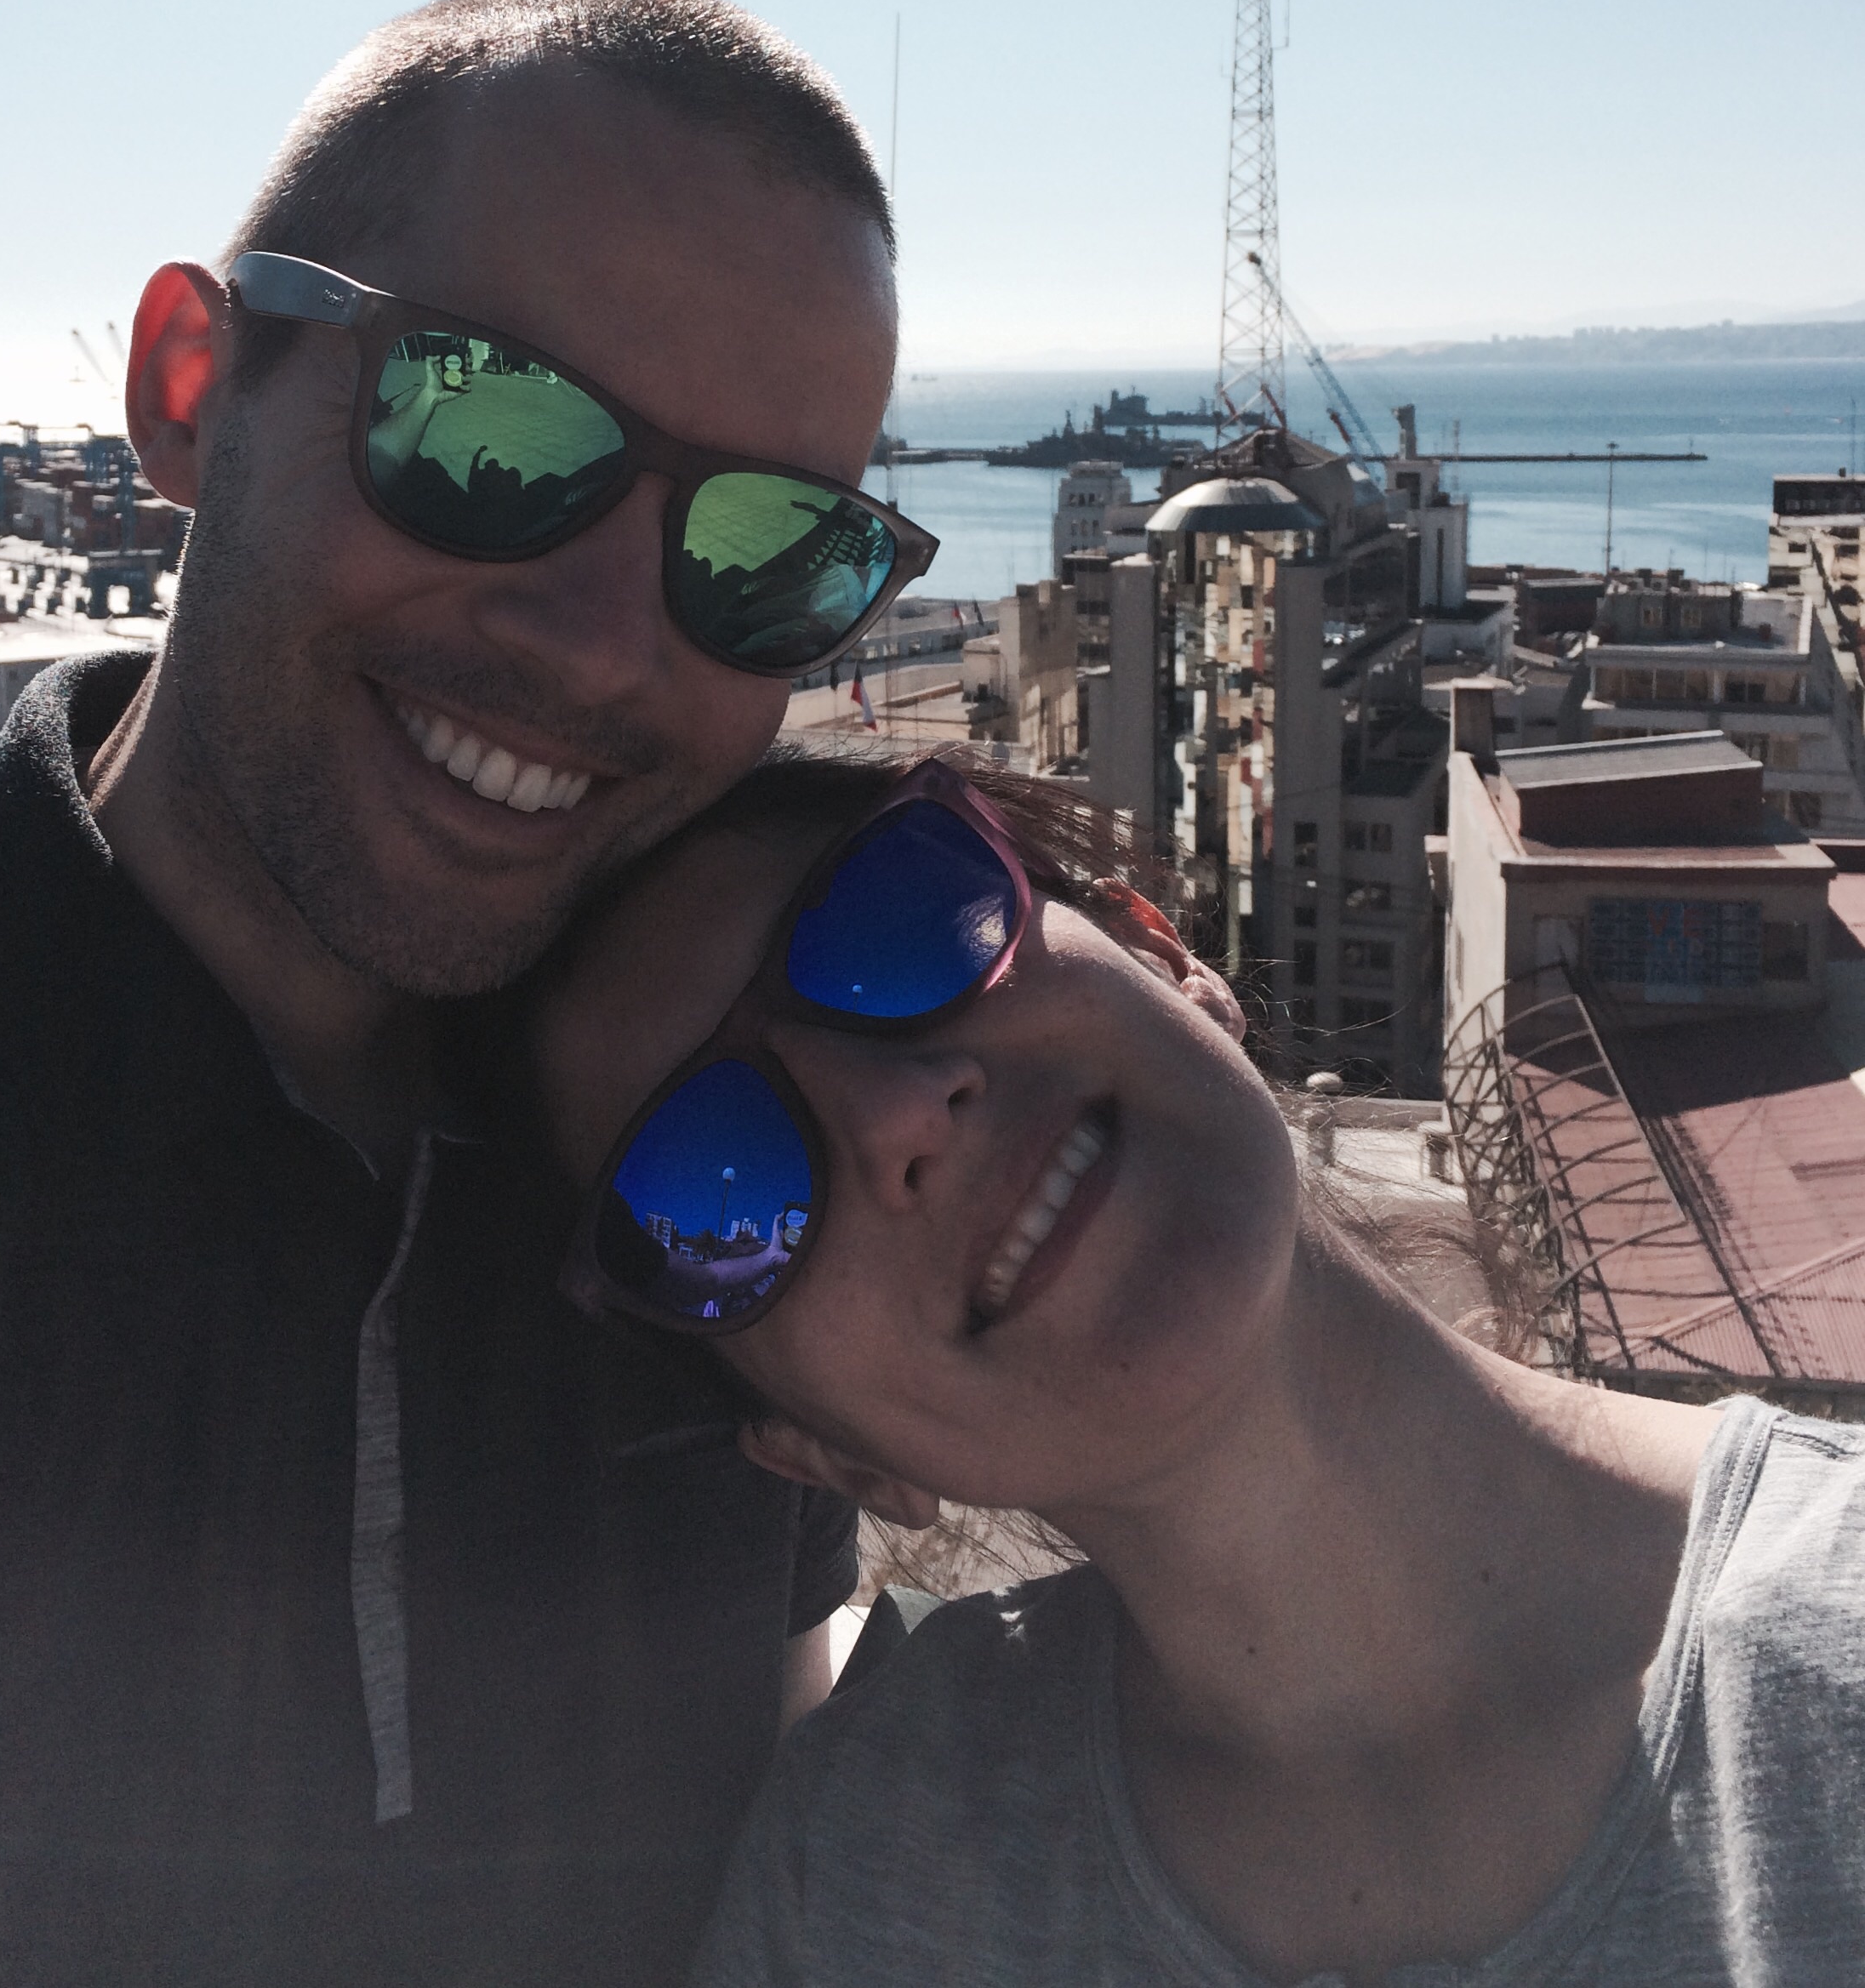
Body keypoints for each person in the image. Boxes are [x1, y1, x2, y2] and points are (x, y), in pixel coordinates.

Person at [0, 0, 935, 1986]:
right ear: (189, 387)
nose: (603, 646)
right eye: (486, 431)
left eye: (768, 553)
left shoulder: (697, 1145)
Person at [531, 749, 1865, 1988]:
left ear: (1159, 950)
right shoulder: (860, 1872)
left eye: (898, 922)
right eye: (704, 1188)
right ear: (828, 1454)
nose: (897, 1110)